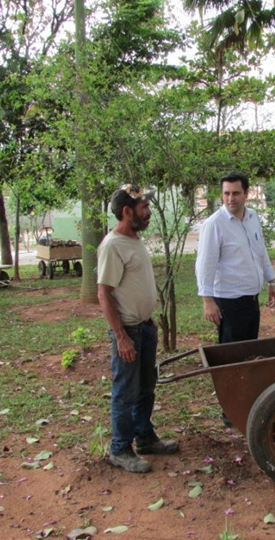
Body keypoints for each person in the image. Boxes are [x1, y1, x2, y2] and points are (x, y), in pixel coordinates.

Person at [98, 183, 178, 473]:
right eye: (144, 208)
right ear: (127, 211)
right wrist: (121, 336)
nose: (148, 212)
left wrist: (148, 318)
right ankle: (120, 448)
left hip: (144, 327)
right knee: (125, 391)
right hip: (129, 332)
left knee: (146, 387)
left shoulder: (134, 239)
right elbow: (104, 294)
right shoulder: (112, 245)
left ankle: (144, 437)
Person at [195, 172, 275, 345]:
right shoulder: (214, 224)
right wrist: (207, 300)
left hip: (252, 299)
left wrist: (271, 281)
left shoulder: (252, 217)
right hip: (229, 303)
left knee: (250, 351)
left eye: (236, 193)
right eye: (226, 193)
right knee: (232, 355)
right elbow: (205, 264)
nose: (230, 198)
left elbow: (260, 251)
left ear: (246, 193)